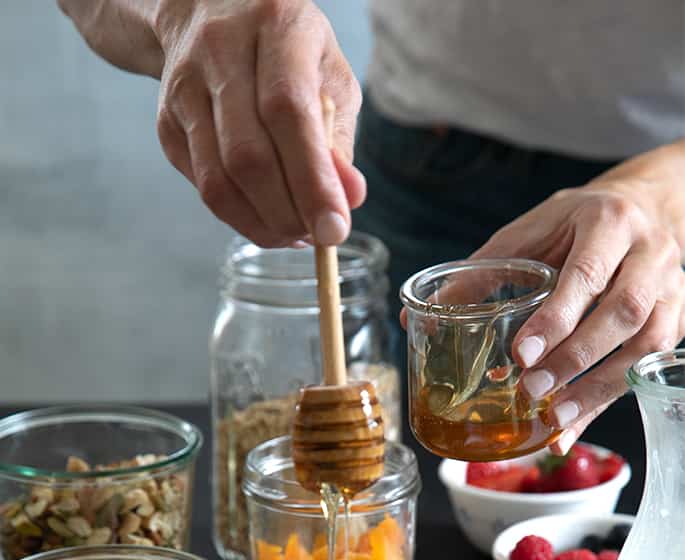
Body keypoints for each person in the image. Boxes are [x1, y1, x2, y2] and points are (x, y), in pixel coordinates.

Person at [58, 0, 685, 453]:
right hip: (427, 170)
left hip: (667, 185)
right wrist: (182, 9)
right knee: (406, 495)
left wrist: (659, 196)